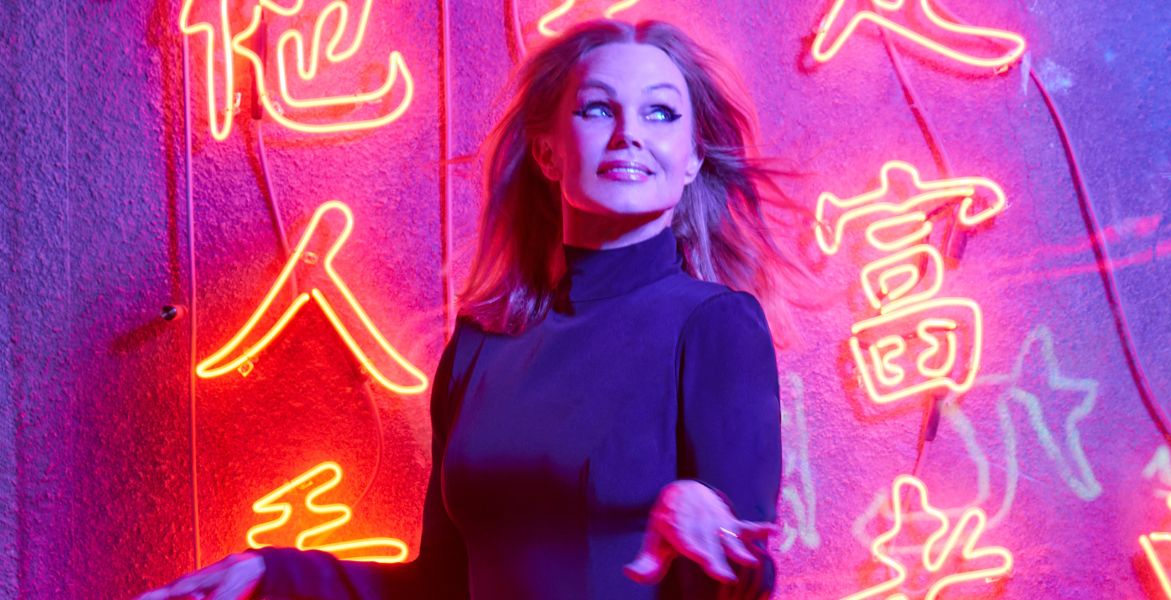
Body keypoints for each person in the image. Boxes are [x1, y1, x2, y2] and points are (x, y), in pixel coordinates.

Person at [140, 18, 815, 600]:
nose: (629, 135)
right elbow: (440, 585)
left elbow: (745, 580)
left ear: (692, 159)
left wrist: (707, 528)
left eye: (660, 114)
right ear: (547, 152)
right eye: (597, 110)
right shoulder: (481, 343)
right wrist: (275, 573)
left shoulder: (716, 327)